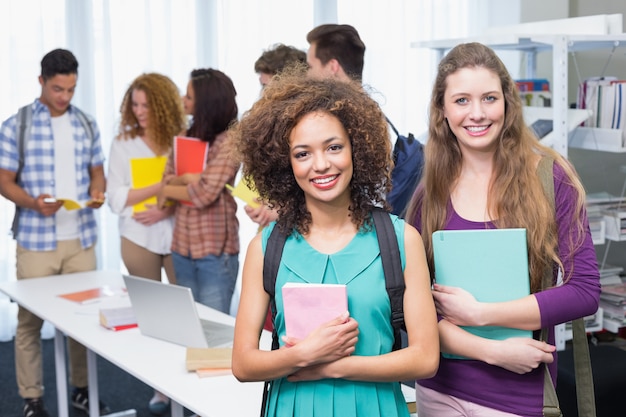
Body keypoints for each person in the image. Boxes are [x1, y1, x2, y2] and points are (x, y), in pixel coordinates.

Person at [405, 42, 601, 416]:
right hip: (437, 391)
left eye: (489, 98)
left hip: (518, 397)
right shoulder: (428, 192)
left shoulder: (550, 178)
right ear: (442, 110)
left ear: (507, 103)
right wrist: (491, 350)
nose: (476, 114)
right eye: (461, 100)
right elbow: (415, 309)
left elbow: (584, 291)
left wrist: (481, 314)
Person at [230, 72, 439, 417]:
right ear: (285, 164)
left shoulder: (401, 240)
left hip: (376, 407)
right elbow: (243, 363)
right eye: (302, 153)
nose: (321, 165)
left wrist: (332, 366)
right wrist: (303, 354)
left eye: (334, 147)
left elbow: (426, 358)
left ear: (357, 148)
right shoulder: (266, 248)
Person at [0, 48, 108, 417]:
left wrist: (98, 192)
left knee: (84, 321)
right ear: (41, 82)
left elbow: (97, 170)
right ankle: (32, 399)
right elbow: (3, 180)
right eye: (58, 88)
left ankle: (81, 391)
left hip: (80, 239)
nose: (65, 96)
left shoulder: (86, 123)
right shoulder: (17, 125)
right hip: (36, 242)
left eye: (71, 89)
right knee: (30, 322)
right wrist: (32, 203)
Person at [107, 72, 186, 415]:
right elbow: (116, 198)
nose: (140, 112)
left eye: (147, 105)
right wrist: (160, 188)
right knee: (154, 316)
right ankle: (160, 388)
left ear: (163, 106)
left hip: (177, 232)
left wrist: (164, 206)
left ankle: (185, 382)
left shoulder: (181, 140)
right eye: (135, 105)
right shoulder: (123, 142)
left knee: (184, 312)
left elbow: (192, 188)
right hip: (138, 237)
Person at [157, 68, 240, 315]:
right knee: (189, 323)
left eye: (189, 96)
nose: (183, 100)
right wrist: (188, 180)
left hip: (215, 253)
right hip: (182, 247)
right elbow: (164, 184)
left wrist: (178, 183)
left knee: (215, 328)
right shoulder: (185, 136)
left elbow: (204, 194)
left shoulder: (230, 141)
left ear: (206, 103)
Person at [245, 43, 307, 228]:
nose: (263, 94)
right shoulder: (269, 124)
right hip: (273, 231)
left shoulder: (311, 124)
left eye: (267, 86)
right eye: (262, 86)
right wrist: (262, 203)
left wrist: (281, 209)